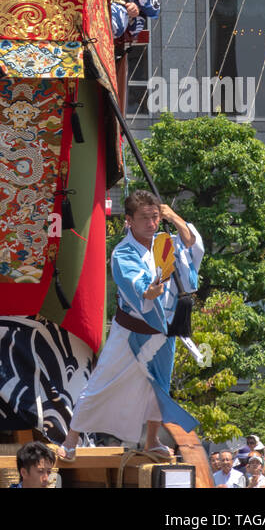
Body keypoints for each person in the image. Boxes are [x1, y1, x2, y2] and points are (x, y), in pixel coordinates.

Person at [62, 190, 203, 460]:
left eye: (155, 217)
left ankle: (151, 441)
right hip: (130, 332)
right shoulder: (123, 253)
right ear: (129, 221)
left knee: (157, 389)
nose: (152, 224)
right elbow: (137, 286)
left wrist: (173, 217)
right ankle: (71, 439)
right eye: (145, 218)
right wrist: (149, 292)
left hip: (164, 331)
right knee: (101, 382)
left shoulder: (167, 242)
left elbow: (191, 243)